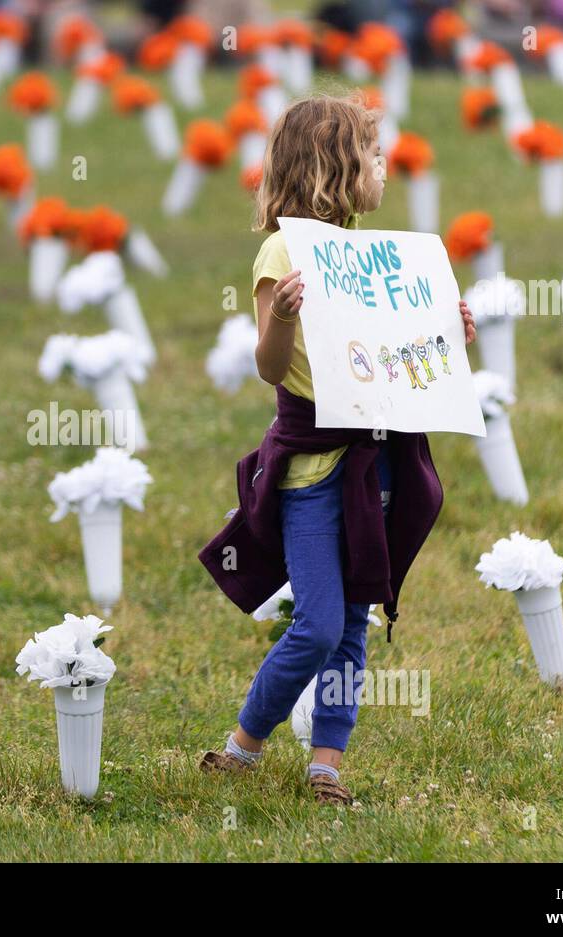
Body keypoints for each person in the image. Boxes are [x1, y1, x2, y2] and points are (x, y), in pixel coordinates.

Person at [197, 94, 477, 806]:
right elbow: (269, 365)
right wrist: (285, 318)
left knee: (355, 618)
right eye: (375, 156)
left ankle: (327, 764)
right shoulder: (284, 251)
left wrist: (447, 332)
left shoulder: (373, 253)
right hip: (313, 472)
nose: (386, 169)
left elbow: (393, 353)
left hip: (376, 463)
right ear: (335, 166)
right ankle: (244, 745)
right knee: (319, 622)